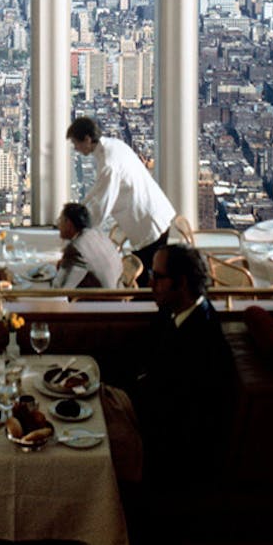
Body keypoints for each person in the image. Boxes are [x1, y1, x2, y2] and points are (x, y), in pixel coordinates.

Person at [121, 244, 234, 492]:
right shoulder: (176, 312)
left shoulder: (201, 342)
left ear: (181, 283)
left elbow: (172, 413)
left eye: (158, 277)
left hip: (171, 453)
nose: (150, 283)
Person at [66, 116, 175, 285]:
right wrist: (80, 208)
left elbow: (103, 205)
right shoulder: (112, 146)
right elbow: (98, 189)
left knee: (147, 280)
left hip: (148, 222)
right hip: (152, 214)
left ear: (87, 139)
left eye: (76, 143)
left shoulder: (109, 162)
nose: (75, 148)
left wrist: (80, 232)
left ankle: (146, 309)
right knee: (149, 276)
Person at [53, 201, 124, 289]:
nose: (58, 225)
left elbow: (60, 289)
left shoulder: (76, 248)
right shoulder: (97, 233)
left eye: (60, 220)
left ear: (69, 224)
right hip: (118, 291)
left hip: (102, 299)